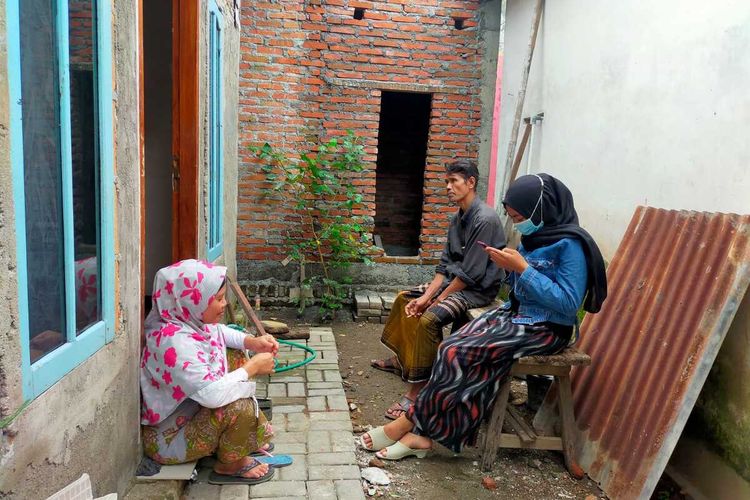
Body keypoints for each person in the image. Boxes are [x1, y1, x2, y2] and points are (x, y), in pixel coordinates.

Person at [361, 173, 607, 460]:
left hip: (547, 328)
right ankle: (421, 436)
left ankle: (408, 424)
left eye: (520, 216)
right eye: (513, 217)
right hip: (516, 315)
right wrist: (507, 266)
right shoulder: (532, 237)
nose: (517, 223)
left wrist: (523, 270)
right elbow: (520, 290)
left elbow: (567, 303)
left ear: (542, 208)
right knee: (450, 347)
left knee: (459, 352)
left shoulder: (571, 245)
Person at [371, 159, 506, 420]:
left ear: (470, 183)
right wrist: (425, 296)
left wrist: (436, 301)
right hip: (455, 282)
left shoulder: (485, 219)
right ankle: (403, 360)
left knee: (429, 319)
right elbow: (445, 267)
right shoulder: (458, 218)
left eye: (453, 181)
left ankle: (417, 391)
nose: (448, 186)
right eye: (446, 181)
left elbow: (471, 274)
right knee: (404, 299)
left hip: (477, 289)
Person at [140, 259, 281, 485]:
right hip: (167, 440)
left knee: (233, 354)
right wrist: (251, 367)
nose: (224, 304)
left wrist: (252, 342)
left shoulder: (187, 322)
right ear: (191, 301)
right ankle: (230, 464)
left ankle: (239, 441)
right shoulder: (173, 343)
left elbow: (219, 332)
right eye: (217, 299)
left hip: (190, 412)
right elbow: (212, 396)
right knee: (238, 405)